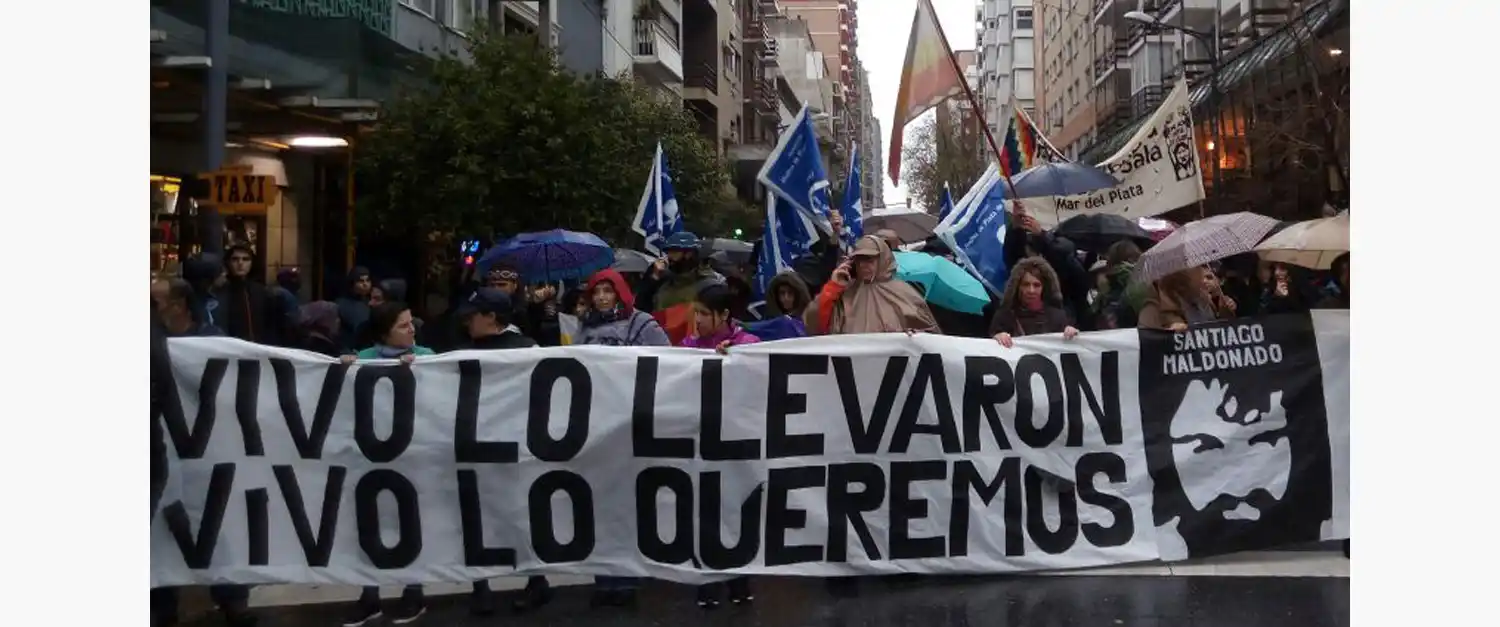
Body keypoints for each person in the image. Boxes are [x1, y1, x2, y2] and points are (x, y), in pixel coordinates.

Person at [678, 284, 758, 608]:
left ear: (725, 315)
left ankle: (739, 581)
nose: (697, 320)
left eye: (704, 314)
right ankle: (706, 583)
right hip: (700, 440)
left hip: (736, 443)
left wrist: (736, 361)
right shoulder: (687, 346)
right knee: (703, 513)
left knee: (735, 513)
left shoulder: (748, 345)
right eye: (695, 312)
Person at [806, 235, 941, 336]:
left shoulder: (905, 293)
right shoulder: (844, 294)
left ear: (882, 259)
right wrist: (833, 287)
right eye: (859, 260)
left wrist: (913, 337)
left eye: (869, 259)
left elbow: (931, 338)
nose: (863, 265)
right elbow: (814, 326)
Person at [989, 257, 1079, 348]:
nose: (1031, 290)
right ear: (1017, 286)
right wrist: (997, 338)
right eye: (1026, 284)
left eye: (1037, 285)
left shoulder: (1057, 317)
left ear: (1044, 287)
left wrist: (1072, 335)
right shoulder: (1004, 316)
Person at [214, 244, 278, 344]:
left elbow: (270, 325)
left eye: (245, 259)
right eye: (235, 259)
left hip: (258, 348)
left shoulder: (261, 291)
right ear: (228, 263)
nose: (240, 263)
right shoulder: (220, 290)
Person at [1138, 266, 1217, 331]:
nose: (1203, 280)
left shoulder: (1202, 299)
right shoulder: (1154, 306)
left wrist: (1225, 312)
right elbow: (1146, 338)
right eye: (1196, 268)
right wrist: (1170, 332)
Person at [336, 266, 374, 349]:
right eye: (361, 281)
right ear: (352, 284)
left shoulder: (372, 302)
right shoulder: (342, 304)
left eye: (367, 280)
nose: (365, 284)